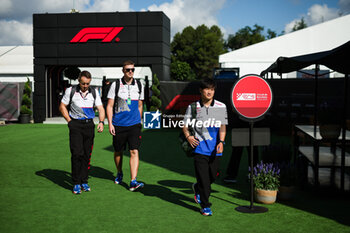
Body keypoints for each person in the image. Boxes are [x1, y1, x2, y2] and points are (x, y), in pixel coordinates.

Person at [182, 78, 228, 216]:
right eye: (207, 89)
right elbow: (185, 126)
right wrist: (189, 137)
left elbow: (222, 126)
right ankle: (205, 205)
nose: (210, 92)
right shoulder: (192, 107)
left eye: (212, 89)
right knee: (203, 179)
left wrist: (221, 142)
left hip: (215, 150)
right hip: (199, 149)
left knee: (212, 177)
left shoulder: (221, 106)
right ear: (201, 90)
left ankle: (197, 188)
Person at [59, 70, 105, 194]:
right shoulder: (71, 91)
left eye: (87, 84)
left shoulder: (94, 92)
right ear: (79, 81)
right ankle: (76, 182)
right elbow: (62, 106)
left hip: (89, 126)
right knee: (76, 153)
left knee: (86, 154)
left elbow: (100, 108)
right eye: (83, 83)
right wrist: (69, 121)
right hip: (75, 125)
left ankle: (84, 181)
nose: (85, 86)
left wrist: (101, 122)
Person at [106, 60, 144, 191]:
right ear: (123, 70)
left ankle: (133, 180)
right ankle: (119, 172)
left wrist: (139, 121)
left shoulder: (139, 84)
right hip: (118, 125)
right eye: (128, 69)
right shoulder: (115, 85)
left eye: (132, 69)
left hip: (134, 125)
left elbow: (140, 105)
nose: (130, 72)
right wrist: (110, 123)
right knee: (118, 151)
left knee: (134, 151)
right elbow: (110, 106)